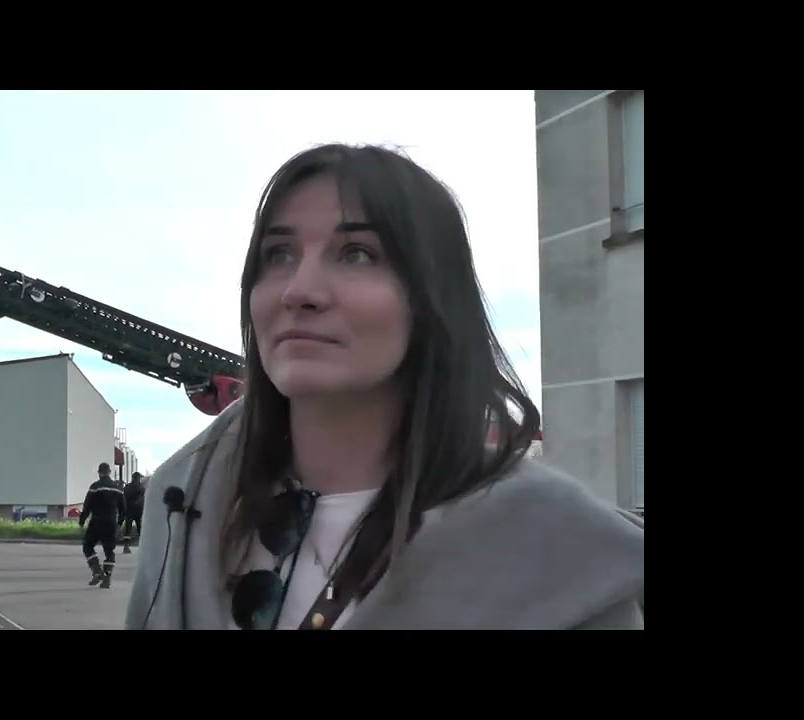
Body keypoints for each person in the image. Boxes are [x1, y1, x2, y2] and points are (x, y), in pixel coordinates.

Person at [124, 143, 644, 630]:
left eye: (356, 254)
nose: (299, 290)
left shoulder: (560, 553)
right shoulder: (182, 507)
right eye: (278, 255)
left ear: (432, 299)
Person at [80, 462, 126, 589]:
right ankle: (107, 578)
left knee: (88, 546)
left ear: (99, 473)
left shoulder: (95, 487)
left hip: (97, 522)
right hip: (111, 523)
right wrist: (119, 524)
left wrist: (82, 521)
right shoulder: (117, 489)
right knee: (109, 551)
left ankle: (96, 570)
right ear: (109, 472)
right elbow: (123, 510)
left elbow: (87, 506)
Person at [120, 472, 146, 554]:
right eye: (139, 478)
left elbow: (124, 497)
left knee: (128, 529)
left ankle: (126, 546)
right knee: (140, 528)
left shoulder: (127, 487)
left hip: (129, 510)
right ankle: (143, 547)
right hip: (138, 510)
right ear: (137, 478)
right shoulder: (139, 486)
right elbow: (143, 494)